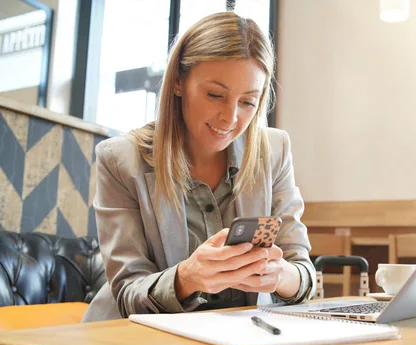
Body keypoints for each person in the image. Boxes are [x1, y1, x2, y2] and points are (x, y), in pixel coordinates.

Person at [82, 12, 315, 322]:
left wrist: (281, 275)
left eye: (248, 102)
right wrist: (187, 278)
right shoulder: (120, 160)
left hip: (238, 342)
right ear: (179, 81)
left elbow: (304, 273)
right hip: (135, 342)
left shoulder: (274, 150)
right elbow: (127, 293)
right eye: (215, 95)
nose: (230, 118)